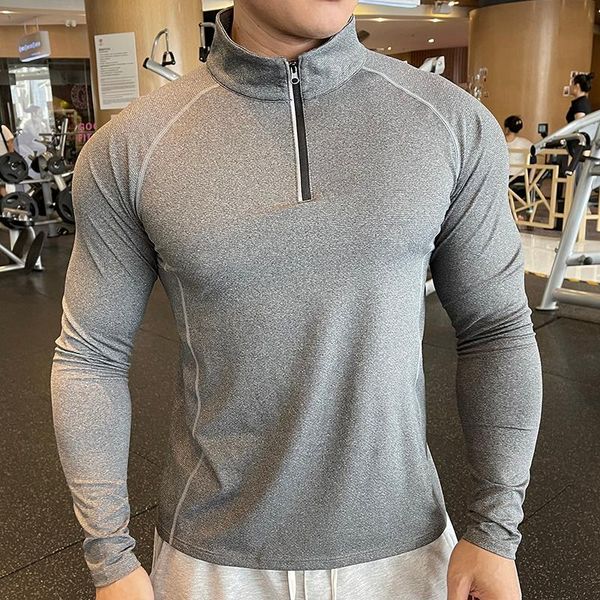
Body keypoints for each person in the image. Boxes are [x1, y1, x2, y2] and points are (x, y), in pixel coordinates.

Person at [51, 2, 543, 600]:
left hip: (404, 551)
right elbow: (90, 356)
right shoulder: (131, 146)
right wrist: (109, 558)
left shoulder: (451, 123)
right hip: (211, 562)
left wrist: (495, 528)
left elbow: (496, 329)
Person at [504, 115, 533, 183]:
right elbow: (534, 163)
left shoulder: (499, 141)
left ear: (507, 128)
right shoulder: (526, 143)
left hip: (503, 178)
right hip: (520, 178)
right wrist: (530, 182)